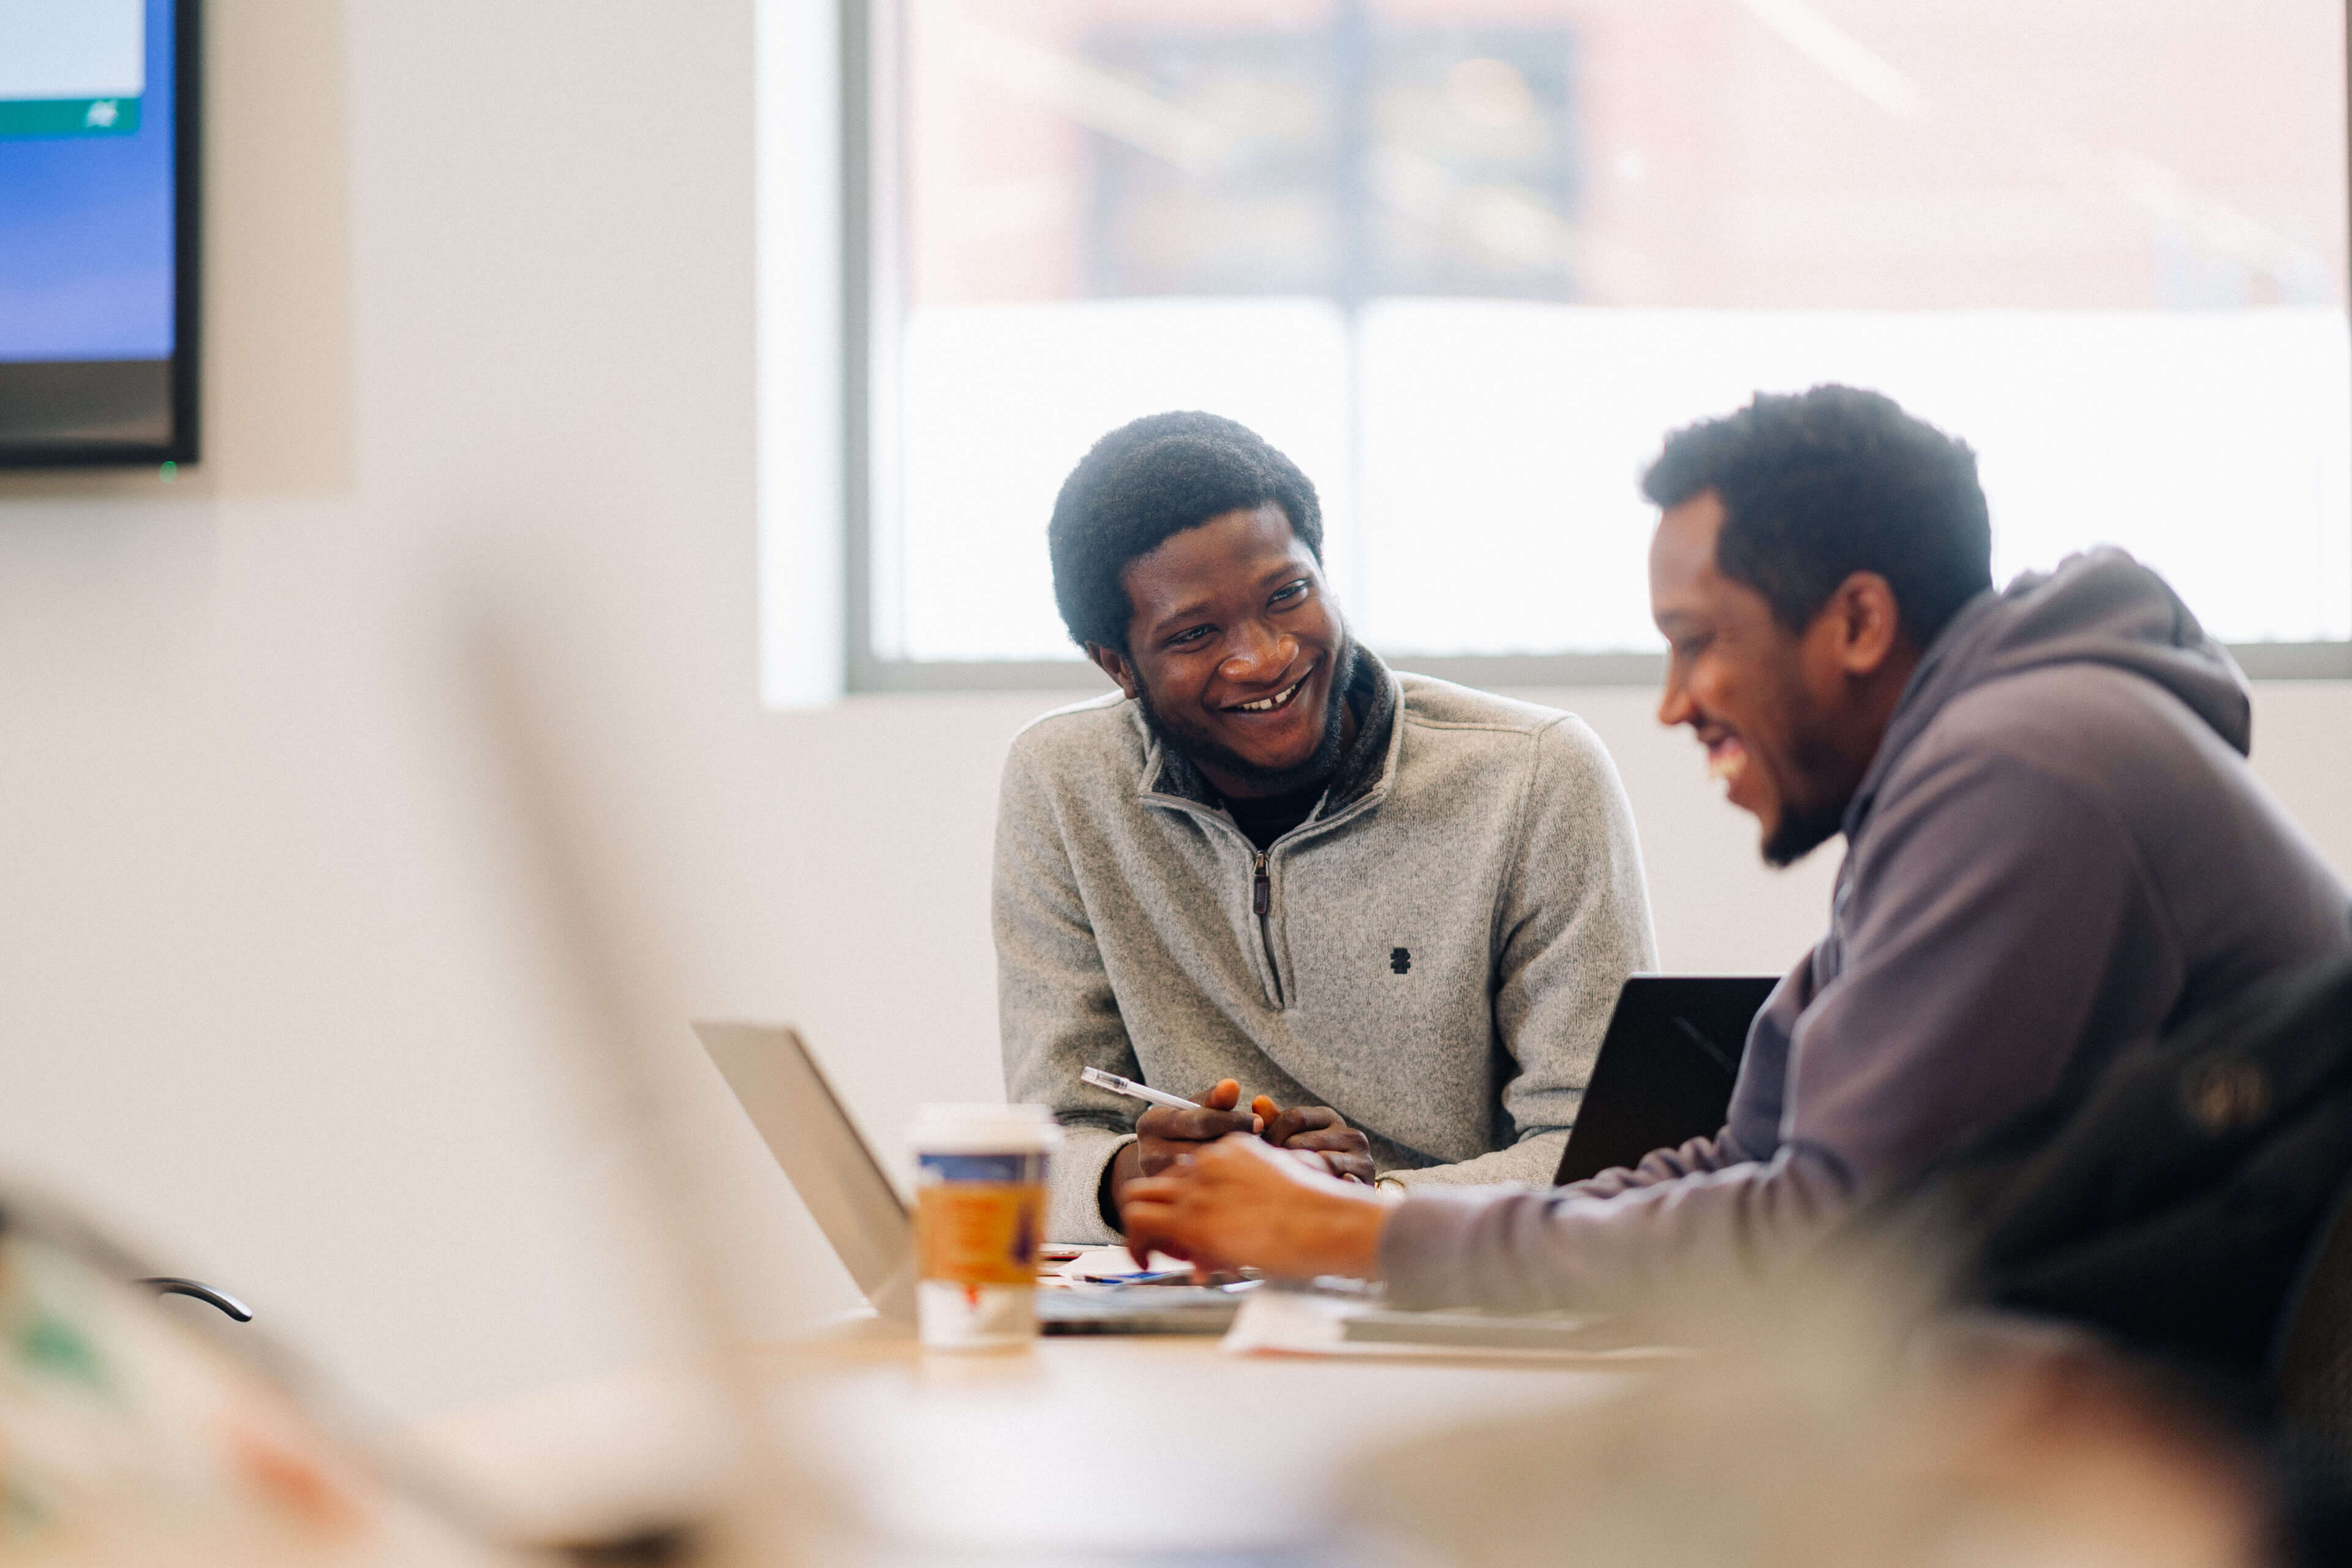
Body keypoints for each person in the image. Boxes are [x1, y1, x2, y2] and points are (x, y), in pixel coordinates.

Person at [1119, 385, 2352, 1302]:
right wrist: (1369, 1223)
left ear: (1858, 620)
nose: (1676, 698)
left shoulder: (2025, 769)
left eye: (1700, 639)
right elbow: (1754, 1156)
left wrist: (1358, 1238)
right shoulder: (1986, 754)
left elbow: (1820, 1236)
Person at [997, 410, 1657, 1243]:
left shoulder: (1534, 775)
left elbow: (1609, 1155)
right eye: (1197, 634)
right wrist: (1132, 1178)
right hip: (1188, 1311)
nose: (1265, 656)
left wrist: (1362, 1208)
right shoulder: (1064, 781)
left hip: (1455, 1292)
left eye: (1287, 596)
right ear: (1117, 665)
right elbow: (1045, 1143)